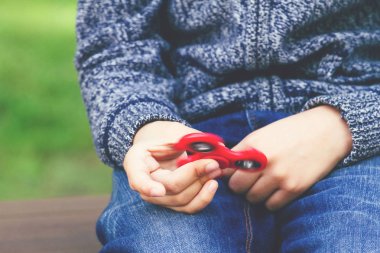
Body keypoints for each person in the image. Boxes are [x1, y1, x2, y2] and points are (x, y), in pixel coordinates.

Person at [75, 0, 380, 252]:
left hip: (354, 140)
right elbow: (113, 47)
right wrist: (149, 126)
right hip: (185, 135)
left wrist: (348, 123)